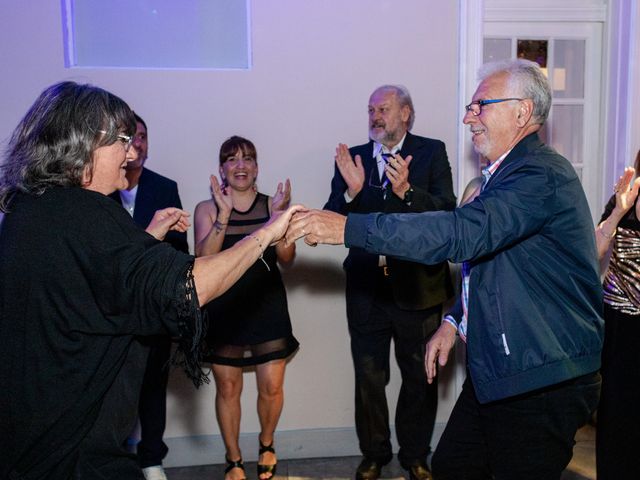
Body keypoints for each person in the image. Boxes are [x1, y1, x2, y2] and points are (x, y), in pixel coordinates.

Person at [286, 59, 603, 480]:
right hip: (503, 370)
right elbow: (493, 267)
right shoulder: (504, 176)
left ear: (522, 112)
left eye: (480, 105)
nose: (468, 116)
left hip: (541, 374)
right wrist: (454, 321)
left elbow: (459, 233)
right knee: (454, 466)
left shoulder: (539, 174)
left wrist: (348, 227)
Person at [0, 81, 300, 480]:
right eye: (122, 140)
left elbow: (95, 276)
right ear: (85, 143)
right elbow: (185, 288)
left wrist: (144, 240)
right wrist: (267, 233)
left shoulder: (34, 206)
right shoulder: (83, 212)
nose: (132, 151)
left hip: (37, 435)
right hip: (71, 451)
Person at [324, 84, 455, 480]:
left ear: (406, 113)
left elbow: (447, 214)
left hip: (418, 288)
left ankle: (415, 454)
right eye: (370, 110)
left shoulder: (432, 151)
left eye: (383, 108)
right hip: (367, 288)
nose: (375, 117)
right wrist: (353, 191)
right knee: (368, 377)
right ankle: (375, 453)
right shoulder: (356, 160)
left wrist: (407, 192)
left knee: (420, 376)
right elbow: (334, 217)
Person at [194, 136, 298, 480]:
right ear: (221, 168)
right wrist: (223, 215)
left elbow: (287, 259)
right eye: (232, 159)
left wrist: (279, 219)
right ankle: (234, 459)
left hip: (267, 305)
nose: (241, 165)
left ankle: (267, 444)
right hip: (225, 309)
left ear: (257, 167)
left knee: (272, 387)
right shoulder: (206, 209)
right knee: (228, 389)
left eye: (248, 158)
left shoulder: (274, 204)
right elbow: (203, 261)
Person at [108, 113, 189, 480]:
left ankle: (152, 458)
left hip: (153, 306)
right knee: (112, 387)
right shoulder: (99, 189)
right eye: (130, 137)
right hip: (109, 308)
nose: (137, 143)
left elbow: (179, 251)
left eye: (142, 136)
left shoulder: (164, 187)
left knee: (153, 386)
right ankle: (114, 457)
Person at [594, 154, 640, 480]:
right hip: (619, 324)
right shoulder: (624, 195)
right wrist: (618, 213)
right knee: (616, 414)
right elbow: (592, 251)